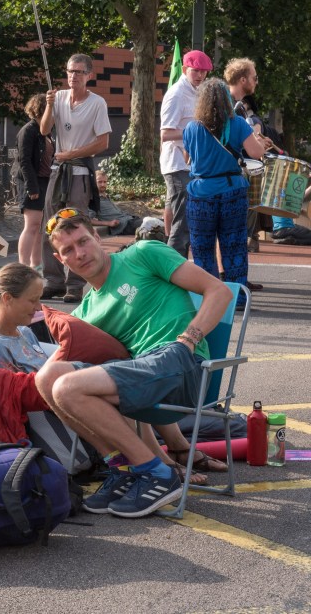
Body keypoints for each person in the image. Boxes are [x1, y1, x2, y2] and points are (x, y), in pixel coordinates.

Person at [35, 210, 232, 517]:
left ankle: (156, 473)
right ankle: (123, 466)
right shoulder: (85, 313)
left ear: (98, 238)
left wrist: (189, 339)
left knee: (69, 387)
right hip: (145, 385)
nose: (80, 253)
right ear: (62, 261)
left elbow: (218, 291)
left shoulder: (142, 253)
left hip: (182, 361)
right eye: (68, 250)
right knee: (48, 380)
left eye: (83, 241)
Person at [0, 261, 214, 485]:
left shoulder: (25, 333)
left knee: (120, 375)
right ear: (7, 299)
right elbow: (10, 399)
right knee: (114, 382)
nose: (38, 308)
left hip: (60, 406)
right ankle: (157, 461)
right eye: (32, 301)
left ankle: (160, 457)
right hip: (51, 419)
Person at [182, 78, 267, 306]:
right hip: (232, 190)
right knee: (234, 245)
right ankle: (237, 298)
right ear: (227, 100)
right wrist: (259, 140)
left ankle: (208, 297)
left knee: (202, 248)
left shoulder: (192, 127)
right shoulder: (238, 124)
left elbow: (187, 158)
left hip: (201, 193)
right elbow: (256, 153)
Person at [39, 53, 111, 304]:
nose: (73, 76)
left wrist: (72, 153)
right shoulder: (57, 98)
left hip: (79, 170)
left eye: (79, 72)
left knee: (76, 223)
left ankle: (76, 283)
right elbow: (44, 129)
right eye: (70, 71)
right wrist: (48, 105)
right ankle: (53, 280)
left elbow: (103, 141)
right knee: (50, 224)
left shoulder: (97, 103)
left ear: (89, 75)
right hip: (58, 170)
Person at [160, 50, 211, 258]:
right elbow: (165, 133)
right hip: (177, 164)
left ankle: (177, 269)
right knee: (183, 222)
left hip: (190, 164)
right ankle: (174, 270)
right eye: (195, 71)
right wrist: (197, 131)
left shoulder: (196, 90)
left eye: (204, 72)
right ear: (184, 69)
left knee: (184, 220)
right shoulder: (176, 94)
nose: (200, 75)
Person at [225, 57, 274, 260]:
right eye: (254, 77)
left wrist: (258, 142)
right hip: (224, 175)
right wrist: (257, 145)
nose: (256, 81)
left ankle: (236, 278)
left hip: (230, 174)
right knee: (230, 233)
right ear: (243, 80)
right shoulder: (228, 105)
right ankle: (229, 280)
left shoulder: (236, 106)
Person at [15, 93, 53, 268]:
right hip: (32, 182)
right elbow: (24, 161)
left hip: (45, 181)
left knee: (40, 228)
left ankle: (35, 266)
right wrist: (32, 188)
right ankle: (23, 266)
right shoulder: (28, 131)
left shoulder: (47, 132)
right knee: (32, 225)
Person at [89, 169, 138, 236]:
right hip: (124, 225)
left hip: (131, 219)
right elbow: (88, 220)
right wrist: (108, 223)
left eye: (105, 182)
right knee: (151, 224)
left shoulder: (106, 196)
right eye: (99, 182)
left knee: (154, 223)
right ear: (94, 183)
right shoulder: (93, 200)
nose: (103, 184)